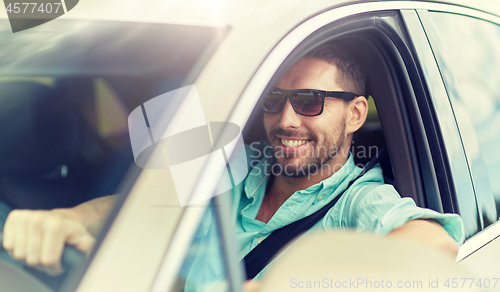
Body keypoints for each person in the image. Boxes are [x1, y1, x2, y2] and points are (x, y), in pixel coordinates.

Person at [2, 42, 464, 281]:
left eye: (308, 102)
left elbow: (434, 243)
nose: (284, 120)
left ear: (356, 114)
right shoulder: (239, 165)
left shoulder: (362, 201)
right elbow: (150, 200)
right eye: (274, 100)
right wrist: (67, 219)